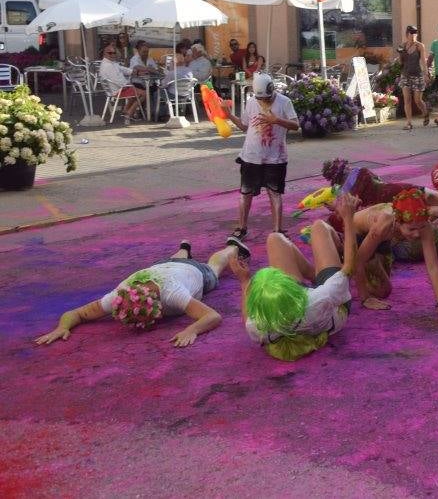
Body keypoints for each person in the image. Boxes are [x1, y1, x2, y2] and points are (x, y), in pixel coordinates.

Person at [34, 239, 249, 348]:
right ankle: (184, 248)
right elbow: (76, 313)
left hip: (192, 272)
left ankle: (232, 246)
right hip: (162, 266)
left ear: (160, 306)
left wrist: (192, 329)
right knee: (175, 259)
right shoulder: (118, 295)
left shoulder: (172, 292)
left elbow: (213, 316)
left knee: (215, 267)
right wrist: (62, 326)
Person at [235, 193, 359, 361]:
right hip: (332, 309)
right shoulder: (317, 298)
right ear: (292, 287)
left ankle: (318, 276)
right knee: (318, 227)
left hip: (300, 313)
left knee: (275, 239)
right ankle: (328, 262)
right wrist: (348, 218)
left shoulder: (261, 325)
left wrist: (245, 282)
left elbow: (247, 320)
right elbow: (349, 267)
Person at [335, 188, 438, 316]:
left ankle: (358, 263)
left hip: (383, 240)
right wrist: (365, 298)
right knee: (382, 290)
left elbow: (432, 265)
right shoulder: (383, 225)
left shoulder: (423, 224)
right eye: (411, 229)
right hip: (357, 233)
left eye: (420, 228)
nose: (416, 234)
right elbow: (358, 261)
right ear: (398, 222)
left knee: (381, 285)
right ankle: (341, 256)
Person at [224, 73, 300, 242]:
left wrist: (277, 120)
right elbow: (245, 126)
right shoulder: (251, 102)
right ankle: (241, 228)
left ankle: (277, 230)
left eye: (266, 98)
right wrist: (229, 116)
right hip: (251, 156)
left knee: (274, 193)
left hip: (276, 158)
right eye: (261, 99)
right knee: (245, 192)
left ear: (272, 90)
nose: (263, 101)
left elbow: (296, 125)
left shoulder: (284, 102)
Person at [98, 43, 149, 123]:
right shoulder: (108, 66)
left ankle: (126, 110)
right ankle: (129, 113)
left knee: (136, 91)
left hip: (117, 88)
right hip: (118, 90)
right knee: (144, 93)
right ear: (104, 53)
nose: (113, 54)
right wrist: (129, 84)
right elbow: (118, 81)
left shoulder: (110, 63)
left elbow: (122, 69)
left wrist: (135, 72)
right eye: (110, 53)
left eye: (114, 52)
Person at [396, 24, 430, 130]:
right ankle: (409, 122)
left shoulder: (420, 46)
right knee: (407, 100)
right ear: (407, 34)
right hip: (405, 75)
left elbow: (423, 61)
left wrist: (426, 74)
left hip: (417, 75)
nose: (414, 35)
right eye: (411, 33)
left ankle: (425, 113)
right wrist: (401, 55)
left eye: (415, 33)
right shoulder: (403, 45)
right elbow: (400, 61)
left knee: (417, 100)